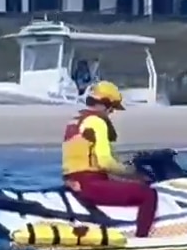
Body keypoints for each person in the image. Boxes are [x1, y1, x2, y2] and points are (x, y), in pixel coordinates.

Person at [61, 81, 156, 238]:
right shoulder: (97, 122)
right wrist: (131, 171)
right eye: (112, 108)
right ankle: (142, 238)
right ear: (105, 104)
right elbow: (105, 161)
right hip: (89, 184)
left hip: (73, 182)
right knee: (148, 194)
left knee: (128, 185)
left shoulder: (76, 120)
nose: (112, 112)